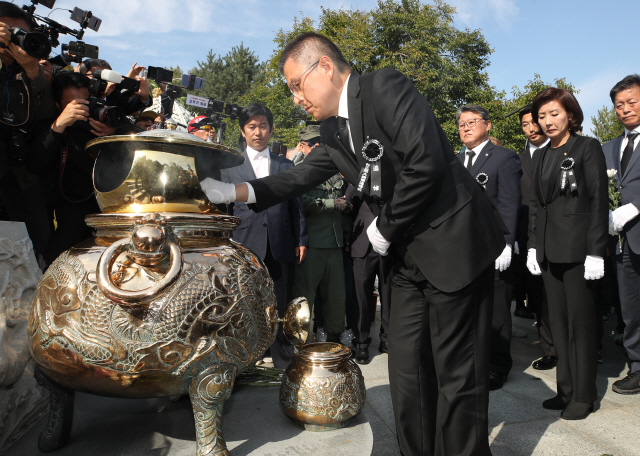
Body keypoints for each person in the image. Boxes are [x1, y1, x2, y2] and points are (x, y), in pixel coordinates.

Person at [200, 32, 505, 456]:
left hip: (454, 245)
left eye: (295, 85)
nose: (294, 100)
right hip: (405, 258)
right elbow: (296, 178)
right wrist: (229, 193)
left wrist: (383, 228)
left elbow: (425, 163)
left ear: (324, 67)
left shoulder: (385, 86)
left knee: (457, 377)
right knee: (407, 373)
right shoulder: (332, 130)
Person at [527, 87, 607, 420]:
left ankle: (585, 395)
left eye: (554, 114)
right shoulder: (543, 154)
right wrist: (533, 244)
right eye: (542, 116)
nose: (547, 121)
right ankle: (566, 390)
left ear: (570, 115)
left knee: (581, 325)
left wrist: (596, 251)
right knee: (558, 325)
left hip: (578, 252)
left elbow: (598, 200)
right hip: (548, 251)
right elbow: (536, 205)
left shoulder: (587, 147)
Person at [219, 103, 308, 370]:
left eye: (263, 126)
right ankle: (248, 355)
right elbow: (224, 211)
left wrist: (301, 239)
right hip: (244, 245)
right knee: (246, 301)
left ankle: (281, 356)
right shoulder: (230, 168)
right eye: (252, 127)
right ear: (243, 131)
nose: (258, 132)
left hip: (281, 243)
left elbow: (297, 206)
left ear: (271, 129)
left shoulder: (286, 164)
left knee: (280, 301)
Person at [27, 72, 135, 265]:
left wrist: (114, 132)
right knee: (56, 261)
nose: (80, 110)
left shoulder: (100, 121)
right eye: (71, 105)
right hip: (68, 207)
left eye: (84, 102)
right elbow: (35, 162)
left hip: (104, 205)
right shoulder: (51, 125)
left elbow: (137, 138)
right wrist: (59, 126)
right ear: (58, 104)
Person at [457, 104, 522, 390]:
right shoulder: (455, 161)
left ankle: (497, 365)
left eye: (472, 122)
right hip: (463, 247)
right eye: (461, 124)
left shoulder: (504, 158)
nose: (466, 128)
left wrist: (506, 243)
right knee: (467, 306)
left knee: (496, 308)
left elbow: (509, 203)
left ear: (488, 125)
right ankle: (472, 359)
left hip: (493, 246)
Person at [0, 1, 57, 258]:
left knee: (36, 246)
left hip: (20, 174)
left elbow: (44, 114)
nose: (17, 41)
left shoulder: (27, 72)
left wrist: (33, 72)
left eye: (21, 35)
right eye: (10, 32)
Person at [292, 124, 352, 345]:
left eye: (321, 143)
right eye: (313, 143)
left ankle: (336, 336)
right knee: (305, 297)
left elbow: (345, 206)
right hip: (312, 244)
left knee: (337, 297)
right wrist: (331, 204)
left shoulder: (335, 170)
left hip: (334, 243)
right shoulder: (300, 170)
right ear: (303, 146)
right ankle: (301, 341)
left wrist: (346, 233)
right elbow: (301, 203)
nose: (318, 147)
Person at [604, 74, 640, 394]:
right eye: (619, 105)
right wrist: (609, 215)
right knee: (630, 307)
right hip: (622, 240)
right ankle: (637, 366)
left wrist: (636, 206)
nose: (625, 109)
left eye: (631, 101)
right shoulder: (608, 148)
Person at [515, 106, 557, 370]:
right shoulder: (515, 160)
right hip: (526, 237)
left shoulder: (560, 153)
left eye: (535, 122)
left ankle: (587, 346)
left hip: (559, 234)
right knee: (538, 295)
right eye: (525, 125)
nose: (531, 129)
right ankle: (549, 348)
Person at [345, 182, 393, 363]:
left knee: (389, 295)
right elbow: (348, 206)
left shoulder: (392, 174)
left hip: (389, 242)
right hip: (362, 244)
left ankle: (387, 339)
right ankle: (362, 343)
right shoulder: (359, 175)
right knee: (361, 297)